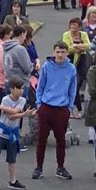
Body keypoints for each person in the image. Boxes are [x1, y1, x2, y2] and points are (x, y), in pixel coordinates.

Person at [35, 42, 78, 180]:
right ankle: (39, 167)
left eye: (63, 52)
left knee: (61, 140)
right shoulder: (47, 66)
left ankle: (60, 167)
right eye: (57, 52)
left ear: (67, 53)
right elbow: (40, 86)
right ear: (54, 53)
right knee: (42, 140)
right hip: (46, 107)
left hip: (62, 109)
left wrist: (69, 107)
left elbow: (73, 89)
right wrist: (39, 104)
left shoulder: (71, 69)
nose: (60, 55)